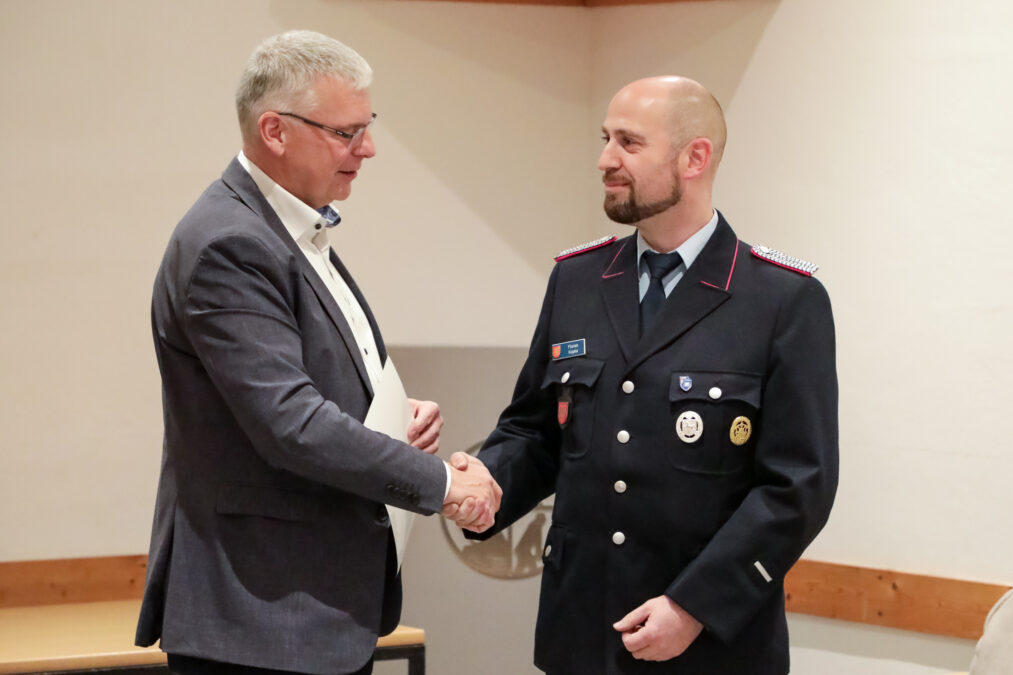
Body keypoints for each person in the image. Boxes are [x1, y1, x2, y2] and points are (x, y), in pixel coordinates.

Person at [135, 30, 499, 675]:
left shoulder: (290, 227)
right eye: (346, 132)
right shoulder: (232, 243)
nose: (368, 149)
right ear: (275, 131)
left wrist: (387, 416)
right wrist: (442, 484)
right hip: (261, 613)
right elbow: (290, 424)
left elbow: (291, 392)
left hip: (300, 611)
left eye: (368, 126)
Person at [456, 76, 839, 674]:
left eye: (629, 143)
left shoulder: (781, 299)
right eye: (606, 138)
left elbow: (797, 486)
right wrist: (488, 485)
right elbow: (535, 432)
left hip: (711, 646)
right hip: (581, 634)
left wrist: (694, 606)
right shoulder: (577, 281)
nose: (605, 159)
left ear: (695, 157)